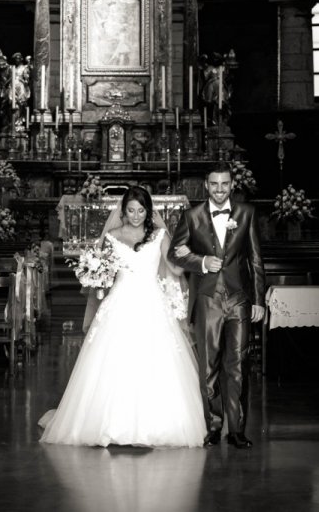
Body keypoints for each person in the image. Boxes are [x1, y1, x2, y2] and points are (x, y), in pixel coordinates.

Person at [39, 186, 207, 447]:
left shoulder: (160, 235)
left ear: (148, 211)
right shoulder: (112, 236)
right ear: (123, 211)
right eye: (131, 210)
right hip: (119, 302)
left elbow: (173, 267)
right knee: (114, 359)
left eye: (141, 210)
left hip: (152, 303)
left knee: (153, 361)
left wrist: (191, 257)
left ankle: (157, 424)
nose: (137, 215)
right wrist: (93, 273)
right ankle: (108, 423)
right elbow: (103, 270)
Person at [169, 164, 265, 449]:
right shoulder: (192, 216)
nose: (220, 190)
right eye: (214, 184)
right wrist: (200, 262)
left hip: (239, 300)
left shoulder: (246, 213)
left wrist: (258, 300)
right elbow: (176, 253)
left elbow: (256, 259)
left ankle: (236, 429)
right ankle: (214, 426)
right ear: (206, 185)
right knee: (208, 366)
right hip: (208, 300)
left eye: (225, 184)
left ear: (232, 184)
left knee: (238, 365)